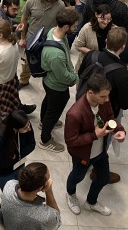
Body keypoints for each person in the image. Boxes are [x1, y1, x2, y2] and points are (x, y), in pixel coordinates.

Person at [64, 73, 126, 217]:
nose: (107, 99)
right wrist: (95, 135)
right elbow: (71, 140)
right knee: (77, 177)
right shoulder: (75, 114)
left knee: (103, 178)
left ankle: (91, 202)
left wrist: (120, 130)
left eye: (107, 95)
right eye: (103, 96)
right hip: (83, 155)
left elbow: (110, 117)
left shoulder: (104, 102)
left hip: (100, 152)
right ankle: (71, 194)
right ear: (90, 92)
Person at [78, 26, 128, 184]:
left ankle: (83, 159)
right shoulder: (122, 73)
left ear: (106, 41)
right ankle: (96, 168)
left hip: (85, 105)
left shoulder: (91, 55)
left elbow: (81, 74)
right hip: (106, 114)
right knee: (102, 142)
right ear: (123, 47)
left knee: (85, 134)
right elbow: (126, 103)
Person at [38, 9, 79, 152]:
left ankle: (43, 123)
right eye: (74, 26)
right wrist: (76, 77)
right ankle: (45, 139)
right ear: (66, 27)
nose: (76, 28)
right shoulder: (55, 54)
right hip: (56, 86)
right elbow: (64, 77)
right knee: (53, 112)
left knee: (48, 102)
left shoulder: (54, 32)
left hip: (49, 82)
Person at [18, 0, 66, 87]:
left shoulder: (60, 5)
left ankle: (47, 83)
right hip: (32, 39)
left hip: (49, 40)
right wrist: (22, 38)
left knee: (48, 64)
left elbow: (62, 24)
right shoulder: (31, 1)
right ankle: (24, 80)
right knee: (27, 63)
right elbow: (24, 19)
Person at [0, 162, 61, 230]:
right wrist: (49, 190)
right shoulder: (44, 217)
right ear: (41, 187)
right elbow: (57, 219)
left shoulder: (9, 185)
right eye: (48, 179)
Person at [0, 110, 35, 190]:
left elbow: (32, 145)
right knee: (10, 193)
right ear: (15, 128)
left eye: (29, 125)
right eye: (25, 128)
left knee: (21, 188)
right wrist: (16, 157)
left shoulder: (25, 123)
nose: (29, 129)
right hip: (5, 173)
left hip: (19, 164)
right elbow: (1, 163)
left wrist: (16, 156)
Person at [73, 4, 113, 71]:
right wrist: (96, 55)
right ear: (96, 15)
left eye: (109, 19)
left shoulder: (113, 29)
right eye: (103, 18)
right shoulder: (86, 28)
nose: (106, 22)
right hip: (88, 64)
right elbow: (78, 46)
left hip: (105, 64)